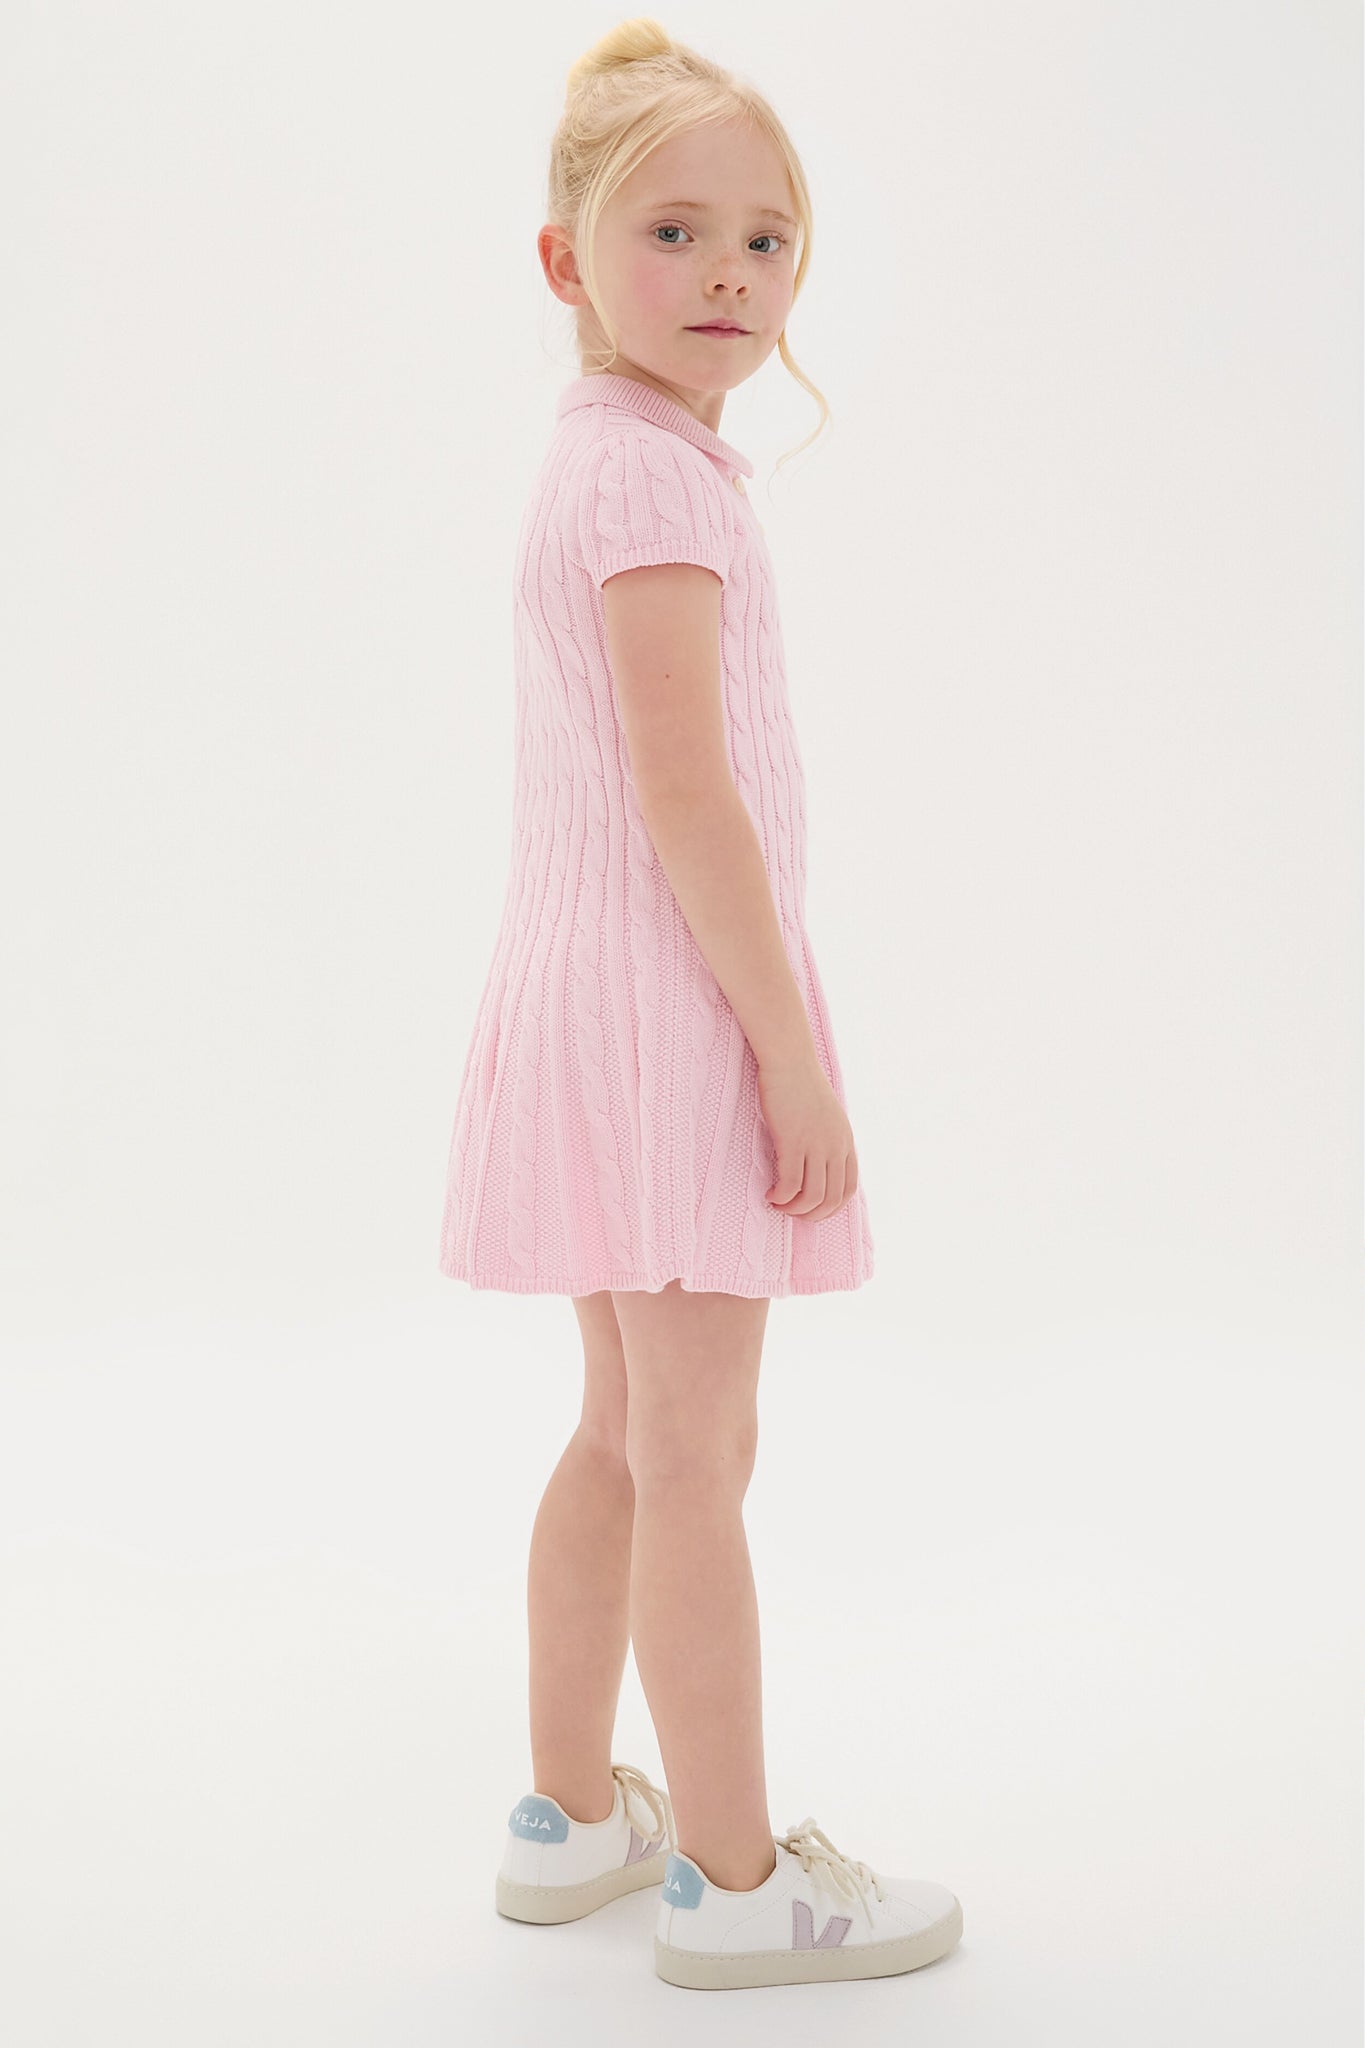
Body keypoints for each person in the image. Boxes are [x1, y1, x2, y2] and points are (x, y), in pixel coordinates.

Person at [437, 15, 963, 1993]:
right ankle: (737, 1887)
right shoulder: (655, 487)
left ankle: (571, 1813)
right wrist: (788, 1054)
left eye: (764, 238)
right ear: (562, 259)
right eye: (671, 232)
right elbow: (687, 797)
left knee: (617, 1431)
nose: (728, 274)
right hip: (668, 1015)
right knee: (692, 1456)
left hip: (580, 989)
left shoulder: (604, 458)